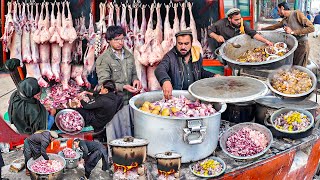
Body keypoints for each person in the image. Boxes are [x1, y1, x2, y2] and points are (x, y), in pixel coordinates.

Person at [155, 30, 219, 100]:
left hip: (194, 97)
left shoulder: (196, 55)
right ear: (176, 43)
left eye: (186, 43)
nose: (183, 47)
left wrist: (213, 75)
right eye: (180, 43)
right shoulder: (170, 56)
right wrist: (165, 81)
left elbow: (201, 72)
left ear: (191, 43)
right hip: (176, 99)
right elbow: (160, 69)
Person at [96, 26, 142, 105]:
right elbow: (104, 84)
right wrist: (123, 87)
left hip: (130, 101)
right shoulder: (104, 59)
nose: (120, 42)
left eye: (122, 39)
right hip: (114, 102)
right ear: (108, 40)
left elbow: (134, 73)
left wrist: (135, 80)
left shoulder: (129, 55)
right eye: (116, 40)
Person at [260, 2, 315, 66]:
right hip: (293, 46)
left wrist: (292, 32)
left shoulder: (297, 14)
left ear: (282, 8)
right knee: (293, 65)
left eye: (278, 10)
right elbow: (274, 27)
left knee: (299, 67)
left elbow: (311, 28)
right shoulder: (285, 20)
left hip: (302, 46)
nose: (278, 13)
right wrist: (262, 29)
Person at [208, 8, 273, 54]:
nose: (239, 21)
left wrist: (266, 41)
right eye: (236, 20)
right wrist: (216, 37)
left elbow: (252, 33)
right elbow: (210, 31)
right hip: (225, 47)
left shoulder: (242, 23)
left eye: (240, 19)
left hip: (238, 47)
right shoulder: (220, 24)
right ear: (229, 19)